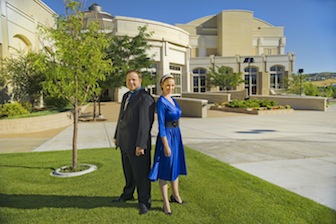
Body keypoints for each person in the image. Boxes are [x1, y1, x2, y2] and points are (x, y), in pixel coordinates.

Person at [113, 70, 155, 215]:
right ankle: (128, 193)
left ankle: (144, 202)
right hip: (124, 142)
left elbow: (145, 124)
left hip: (138, 144)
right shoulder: (126, 96)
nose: (131, 82)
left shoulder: (145, 98)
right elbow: (121, 118)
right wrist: (116, 135)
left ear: (140, 80)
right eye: (128, 80)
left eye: (133, 80)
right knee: (128, 172)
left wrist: (141, 144)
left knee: (141, 175)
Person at [149, 74, 187, 215]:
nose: (170, 88)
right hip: (167, 137)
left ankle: (175, 195)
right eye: (167, 85)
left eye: (172, 85)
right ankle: (166, 203)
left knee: (175, 166)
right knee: (165, 170)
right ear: (161, 86)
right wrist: (165, 145)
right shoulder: (161, 102)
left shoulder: (174, 100)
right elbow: (161, 126)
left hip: (176, 136)